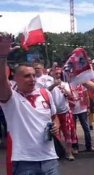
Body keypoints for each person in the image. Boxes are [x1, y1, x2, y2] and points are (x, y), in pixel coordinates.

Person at [0, 35, 60, 175]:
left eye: (33, 75)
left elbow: (54, 116)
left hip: (50, 160)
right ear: (15, 78)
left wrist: (56, 125)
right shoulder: (11, 99)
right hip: (24, 162)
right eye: (27, 76)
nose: (32, 79)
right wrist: (2, 57)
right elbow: (1, 82)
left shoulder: (46, 94)